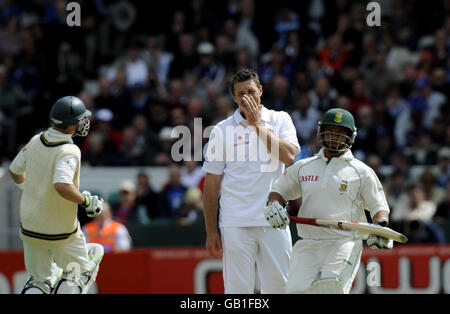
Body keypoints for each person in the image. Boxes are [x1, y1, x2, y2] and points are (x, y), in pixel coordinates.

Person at [264, 108, 393, 294]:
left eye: (341, 133)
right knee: (294, 291)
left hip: (344, 241)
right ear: (321, 132)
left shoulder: (361, 171)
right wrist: (274, 205)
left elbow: (379, 208)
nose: (335, 137)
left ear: (351, 137)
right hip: (308, 242)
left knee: (329, 287)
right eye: (331, 131)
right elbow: (278, 191)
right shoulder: (304, 166)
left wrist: (379, 228)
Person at [202, 68, 300, 293]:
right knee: (237, 291)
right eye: (242, 94)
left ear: (261, 91)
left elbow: (288, 156)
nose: (248, 97)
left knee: (281, 287)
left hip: (274, 221)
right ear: (234, 98)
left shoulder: (280, 119)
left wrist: (257, 125)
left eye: (251, 91)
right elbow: (212, 185)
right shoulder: (221, 130)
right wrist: (210, 230)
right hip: (235, 223)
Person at [8, 96, 104, 294]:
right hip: (61, 232)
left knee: (39, 282)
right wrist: (85, 200)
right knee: (82, 270)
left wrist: (30, 188)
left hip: (30, 228)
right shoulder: (69, 150)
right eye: (80, 119)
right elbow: (61, 185)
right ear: (71, 125)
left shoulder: (36, 140)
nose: (83, 123)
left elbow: (15, 171)